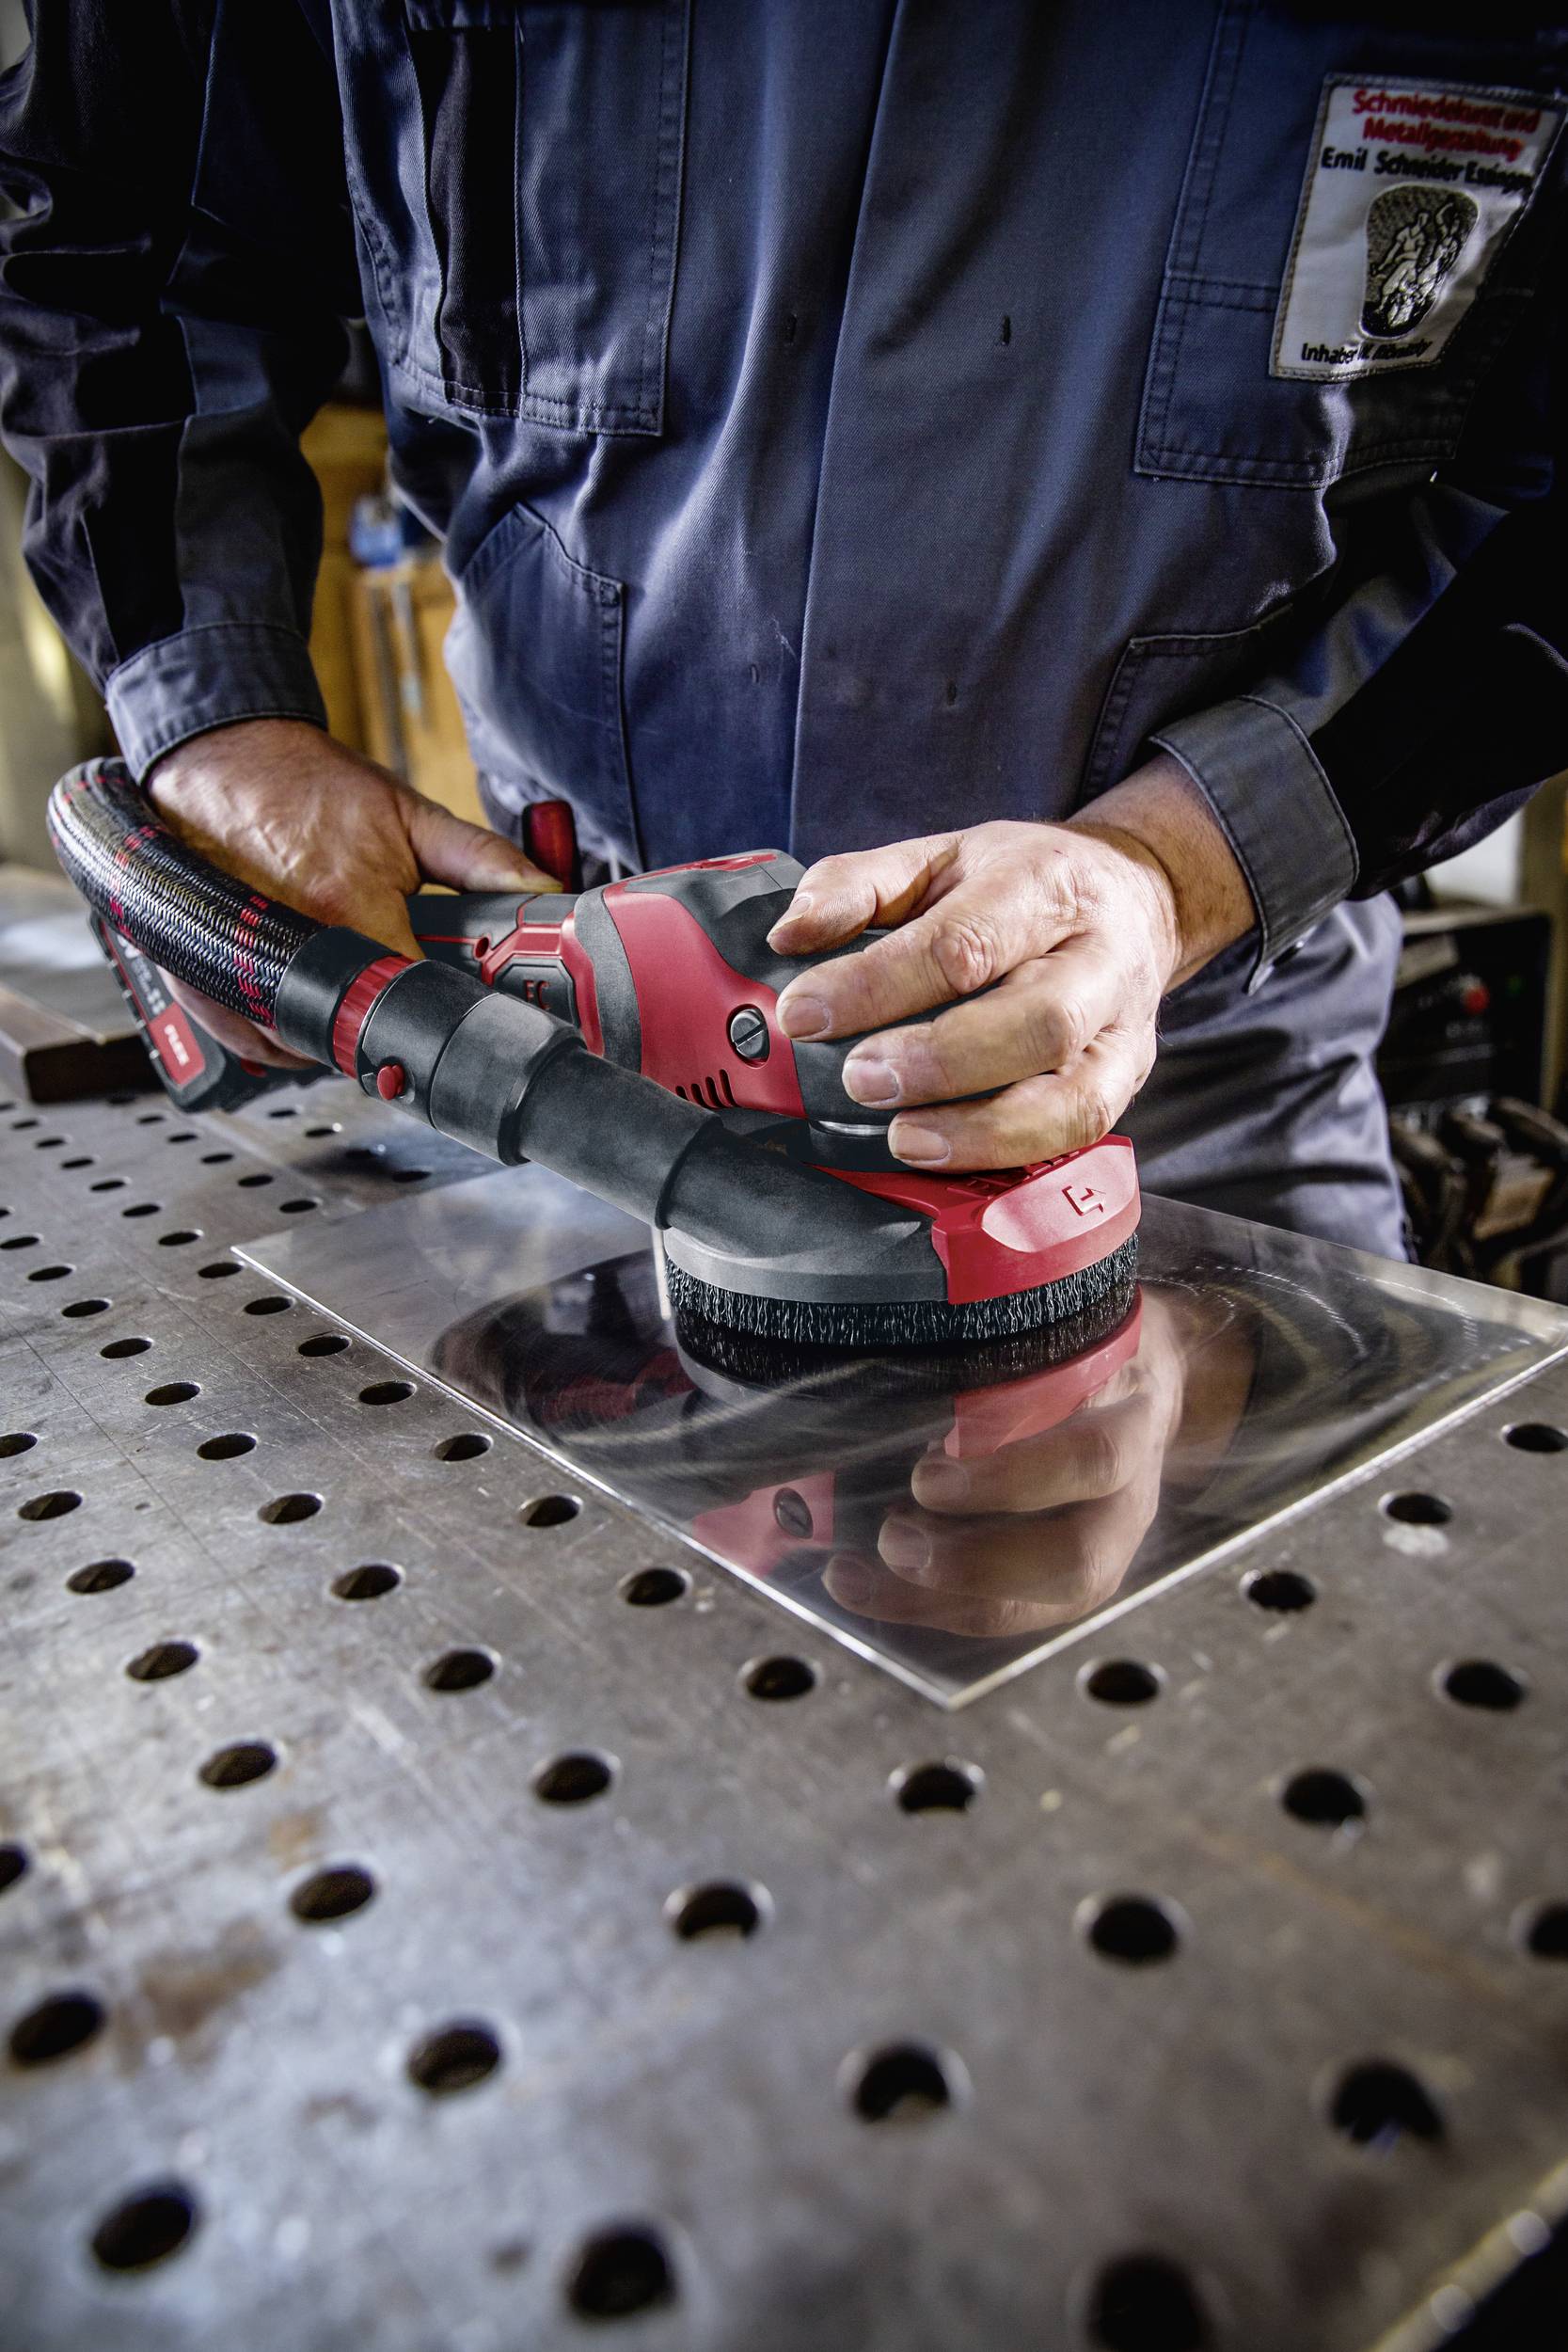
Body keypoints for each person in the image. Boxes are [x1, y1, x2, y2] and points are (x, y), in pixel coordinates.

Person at [3, 4, 1566, 1258]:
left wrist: (1174, 872)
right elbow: (123, 231)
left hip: (1175, 1076)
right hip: (573, 1077)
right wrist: (216, 715)